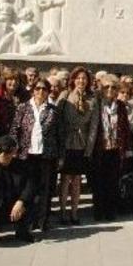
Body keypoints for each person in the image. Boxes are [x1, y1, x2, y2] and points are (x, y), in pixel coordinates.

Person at [9, 78, 61, 232]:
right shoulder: (23, 107)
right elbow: (14, 130)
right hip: (26, 155)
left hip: (46, 155)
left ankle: (43, 220)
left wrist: (60, 156)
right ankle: (28, 220)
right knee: (27, 189)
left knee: (45, 189)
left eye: (44, 89)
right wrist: (14, 151)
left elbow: (59, 134)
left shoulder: (53, 110)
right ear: (33, 91)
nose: (41, 92)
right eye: (38, 89)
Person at [86, 75, 132, 221]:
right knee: (98, 182)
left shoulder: (121, 106)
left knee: (112, 182)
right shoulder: (96, 104)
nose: (110, 90)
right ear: (101, 88)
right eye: (107, 87)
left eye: (113, 87)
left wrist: (127, 147)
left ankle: (110, 211)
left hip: (115, 149)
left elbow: (125, 128)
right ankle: (98, 212)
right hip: (99, 149)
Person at [58, 66, 96, 225]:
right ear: (73, 79)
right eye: (78, 78)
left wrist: (90, 146)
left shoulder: (92, 99)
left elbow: (93, 125)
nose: (81, 81)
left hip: (81, 143)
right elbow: (58, 120)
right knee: (65, 179)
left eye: (84, 78)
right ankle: (63, 212)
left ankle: (74, 212)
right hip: (67, 142)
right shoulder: (65, 95)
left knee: (77, 179)